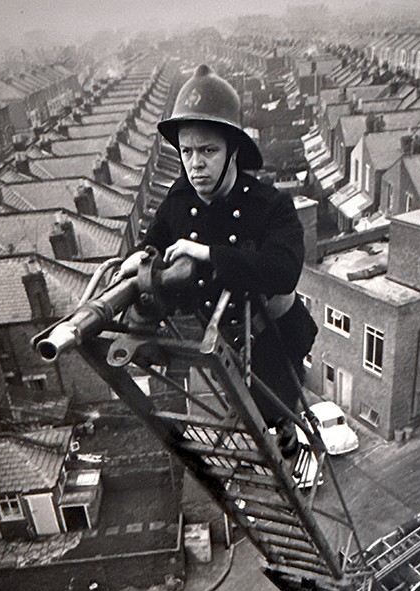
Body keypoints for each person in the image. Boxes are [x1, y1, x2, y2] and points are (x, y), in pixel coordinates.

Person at [117, 64, 317, 457]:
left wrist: (207, 253)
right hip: (220, 337)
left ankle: (286, 428)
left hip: (274, 340)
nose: (196, 164)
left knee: (274, 419)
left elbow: (283, 271)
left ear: (233, 151)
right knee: (239, 410)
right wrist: (139, 257)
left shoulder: (270, 205)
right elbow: (154, 239)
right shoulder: (179, 200)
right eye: (187, 151)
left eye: (208, 150)